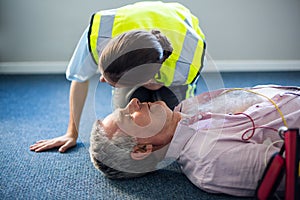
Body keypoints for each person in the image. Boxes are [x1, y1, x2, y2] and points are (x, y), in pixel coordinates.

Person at [30, 1, 206, 153]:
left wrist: (156, 86)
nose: (103, 81)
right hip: (142, 58)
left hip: (176, 34)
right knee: (127, 127)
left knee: (172, 127)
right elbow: (80, 78)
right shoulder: (99, 33)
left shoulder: (186, 60)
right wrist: (71, 133)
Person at [89, 85, 300, 197]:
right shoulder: (210, 160)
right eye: (127, 116)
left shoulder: (186, 109)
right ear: (143, 149)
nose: (133, 102)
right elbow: (292, 175)